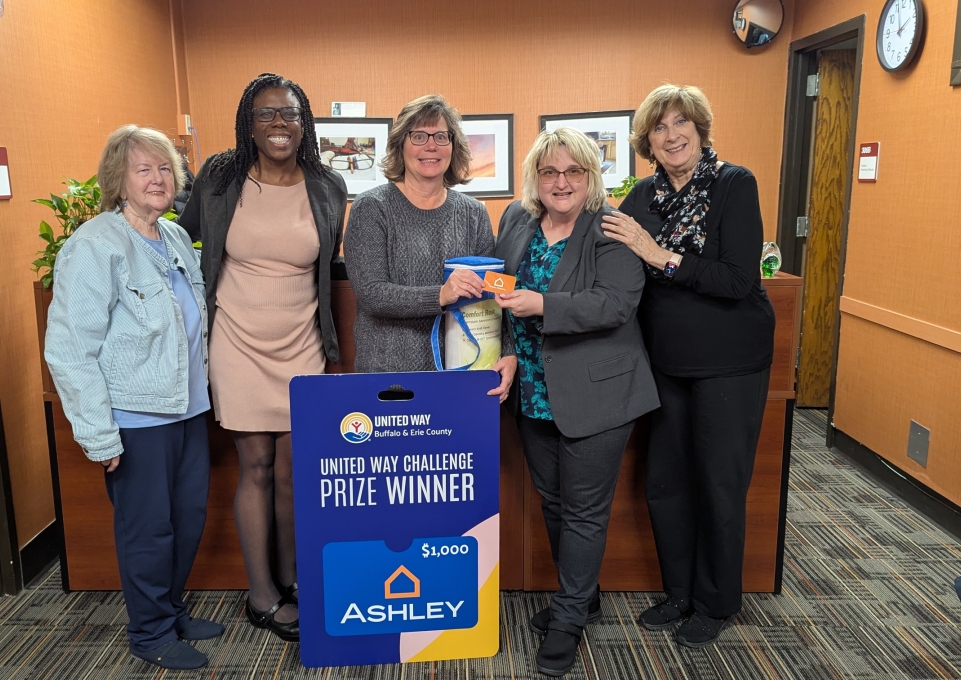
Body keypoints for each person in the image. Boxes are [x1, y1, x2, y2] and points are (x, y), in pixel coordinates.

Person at [602, 84, 776, 648]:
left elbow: (736, 279)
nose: (672, 134)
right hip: (667, 362)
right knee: (665, 484)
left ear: (701, 130)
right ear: (646, 140)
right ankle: (678, 592)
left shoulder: (733, 184)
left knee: (719, 485)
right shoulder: (643, 195)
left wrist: (659, 256)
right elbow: (600, 240)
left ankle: (716, 601)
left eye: (682, 123)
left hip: (730, 363)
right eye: (659, 127)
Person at [44, 125, 221, 670]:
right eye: (143, 170)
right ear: (118, 181)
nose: (157, 179)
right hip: (136, 418)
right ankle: (149, 633)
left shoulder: (169, 238)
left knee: (188, 519)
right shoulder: (96, 245)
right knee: (148, 531)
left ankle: (168, 609)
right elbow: (70, 349)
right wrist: (98, 433)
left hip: (187, 408)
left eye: (165, 168)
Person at [179, 73, 348, 642]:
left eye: (291, 114)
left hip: (302, 340)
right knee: (253, 468)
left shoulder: (327, 185)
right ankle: (260, 595)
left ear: (306, 123)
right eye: (267, 114)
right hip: (236, 341)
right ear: (248, 124)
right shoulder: (219, 177)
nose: (280, 124)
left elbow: (330, 264)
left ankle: (295, 582)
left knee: (296, 473)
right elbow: (184, 241)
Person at [495, 128, 659, 676]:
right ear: (534, 179)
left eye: (573, 172)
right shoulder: (517, 222)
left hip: (600, 391)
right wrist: (510, 353)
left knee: (585, 512)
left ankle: (568, 618)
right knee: (554, 502)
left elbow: (614, 304)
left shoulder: (610, 228)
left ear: (590, 177)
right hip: (534, 389)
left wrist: (543, 303)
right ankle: (580, 595)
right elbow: (504, 296)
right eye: (549, 172)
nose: (561, 182)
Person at [343, 94, 515, 398]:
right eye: (419, 136)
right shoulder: (372, 208)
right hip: (390, 378)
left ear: (453, 146)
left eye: (441, 136)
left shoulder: (473, 212)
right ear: (401, 145)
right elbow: (372, 294)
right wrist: (441, 294)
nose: (431, 146)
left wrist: (508, 351)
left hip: (462, 373)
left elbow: (493, 291)